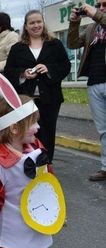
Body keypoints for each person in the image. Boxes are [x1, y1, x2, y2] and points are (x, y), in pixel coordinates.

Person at [0, 70, 60, 248]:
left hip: (37, 218)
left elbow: (49, 183)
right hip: (12, 224)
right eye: (33, 123)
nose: (38, 128)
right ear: (15, 128)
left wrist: (55, 210)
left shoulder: (37, 149)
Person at [5, 10, 70, 163]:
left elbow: (65, 66)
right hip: (25, 100)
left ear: (43, 23)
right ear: (26, 26)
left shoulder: (55, 44)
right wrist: (23, 74)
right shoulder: (17, 48)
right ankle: (26, 165)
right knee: (26, 133)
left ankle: (46, 166)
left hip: (50, 99)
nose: (36, 25)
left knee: (47, 134)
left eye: (39, 22)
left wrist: (49, 70)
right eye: (32, 23)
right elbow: (8, 71)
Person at [68, 1, 106, 181]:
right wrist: (74, 23)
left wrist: (94, 13)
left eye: (105, 4)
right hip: (94, 83)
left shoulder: (99, 19)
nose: (101, 7)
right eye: (98, 4)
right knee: (103, 130)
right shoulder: (92, 28)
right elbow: (73, 43)